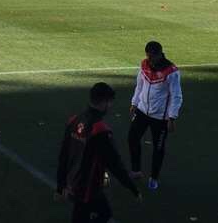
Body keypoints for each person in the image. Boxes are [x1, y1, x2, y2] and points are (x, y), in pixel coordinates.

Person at [56, 82, 141, 222]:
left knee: (100, 214)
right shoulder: (100, 130)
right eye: (110, 102)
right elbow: (115, 163)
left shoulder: (74, 120)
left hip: (73, 182)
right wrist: (132, 188)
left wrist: (60, 185)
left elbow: (63, 155)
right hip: (88, 189)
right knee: (97, 216)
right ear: (105, 102)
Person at [128, 40, 183, 191]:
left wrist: (172, 117)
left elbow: (176, 95)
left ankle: (154, 178)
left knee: (158, 148)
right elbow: (140, 85)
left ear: (159, 54)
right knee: (132, 138)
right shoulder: (144, 64)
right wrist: (134, 103)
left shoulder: (171, 72)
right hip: (142, 111)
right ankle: (136, 170)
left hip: (160, 117)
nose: (150, 60)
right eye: (148, 56)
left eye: (152, 56)